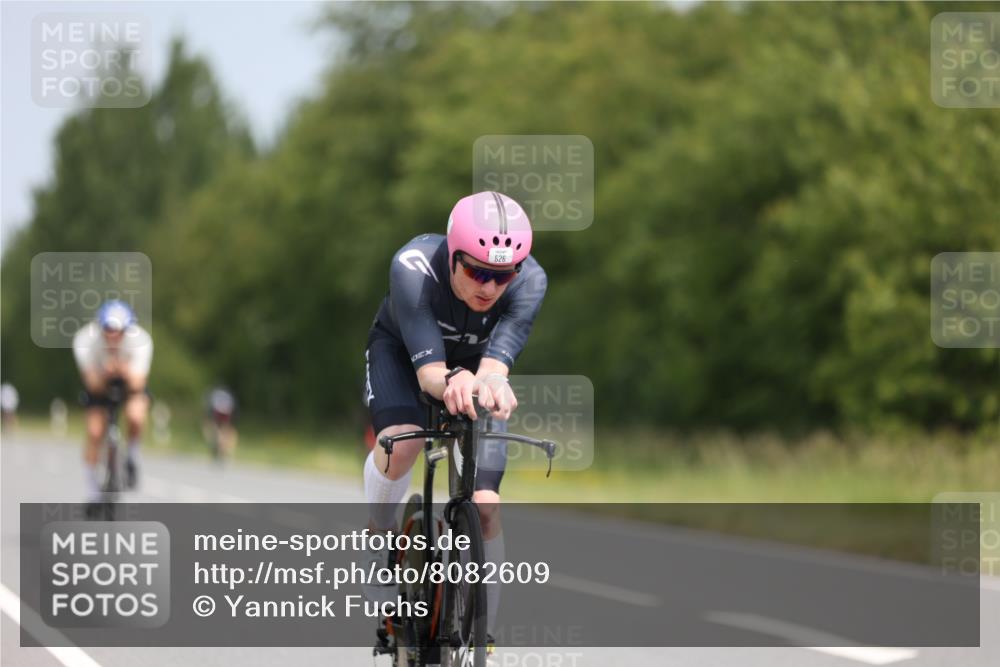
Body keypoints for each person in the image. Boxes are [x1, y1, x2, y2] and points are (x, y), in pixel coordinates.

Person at [361, 191, 547, 651]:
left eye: (502, 274)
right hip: (406, 358)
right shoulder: (414, 267)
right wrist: (452, 381)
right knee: (402, 445)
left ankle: (482, 632)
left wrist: (491, 383)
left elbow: (494, 369)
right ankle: (377, 536)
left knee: (485, 505)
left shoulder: (531, 282)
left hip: (470, 367)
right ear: (452, 254)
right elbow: (429, 375)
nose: (489, 286)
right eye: (476, 270)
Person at [72, 300, 153, 501]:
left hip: (128, 384)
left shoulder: (141, 340)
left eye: (117, 331)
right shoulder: (85, 340)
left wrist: (123, 370)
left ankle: (132, 455)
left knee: (135, 415)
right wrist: (105, 373)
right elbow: (91, 383)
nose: (112, 335)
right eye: (107, 329)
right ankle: (93, 491)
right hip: (99, 385)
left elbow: (138, 383)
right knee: (94, 432)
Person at [203, 385, 238, 462]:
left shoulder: (225, 403)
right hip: (218, 411)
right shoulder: (214, 403)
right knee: (214, 431)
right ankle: (218, 449)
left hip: (223, 411)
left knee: (225, 432)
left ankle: (224, 451)